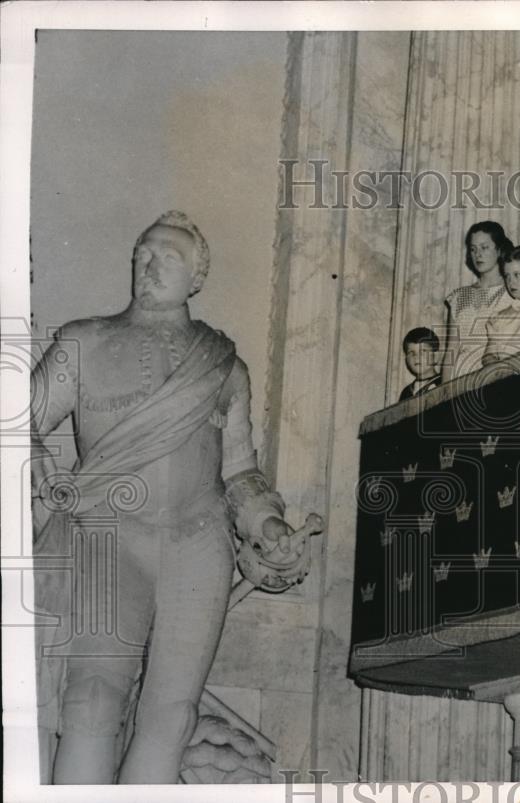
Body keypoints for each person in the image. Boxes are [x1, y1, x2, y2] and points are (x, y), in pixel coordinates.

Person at [30, 212, 314, 784]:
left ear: (196, 276)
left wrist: (268, 525)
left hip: (198, 542)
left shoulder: (225, 366)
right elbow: (18, 420)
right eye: (142, 253)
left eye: (169, 257)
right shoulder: (83, 341)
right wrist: (38, 466)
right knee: (92, 696)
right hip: (109, 534)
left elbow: (239, 471)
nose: (150, 265)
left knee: (173, 714)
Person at [442, 221, 513, 381]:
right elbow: (451, 351)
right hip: (460, 378)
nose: (478, 254)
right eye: (473, 249)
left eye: (484, 247)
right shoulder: (458, 297)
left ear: (499, 249)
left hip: (495, 377)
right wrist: (443, 393)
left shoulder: (513, 293)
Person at [398, 326, 442, 401]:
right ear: (406, 359)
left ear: (436, 356)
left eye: (423, 351)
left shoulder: (442, 384)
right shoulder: (406, 392)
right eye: (411, 352)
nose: (416, 357)